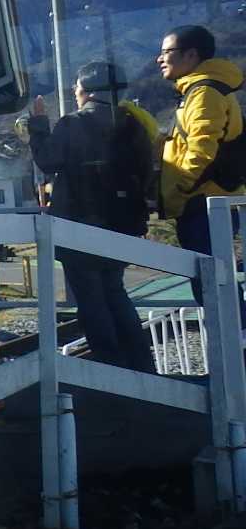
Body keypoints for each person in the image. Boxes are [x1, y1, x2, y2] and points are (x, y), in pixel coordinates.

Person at [24, 61, 155, 371]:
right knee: (114, 291)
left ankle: (109, 369)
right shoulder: (133, 124)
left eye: (77, 87)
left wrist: (39, 125)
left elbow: (48, 160)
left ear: (88, 91)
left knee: (91, 299)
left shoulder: (74, 123)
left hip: (79, 225)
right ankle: (140, 365)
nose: (75, 91)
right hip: (121, 224)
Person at [157, 25, 245, 303]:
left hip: (204, 204)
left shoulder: (204, 92)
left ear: (191, 55)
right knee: (214, 285)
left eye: (166, 52)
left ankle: (236, 330)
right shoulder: (198, 91)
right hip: (202, 201)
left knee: (213, 288)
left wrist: (181, 187)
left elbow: (202, 149)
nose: (159, 59)